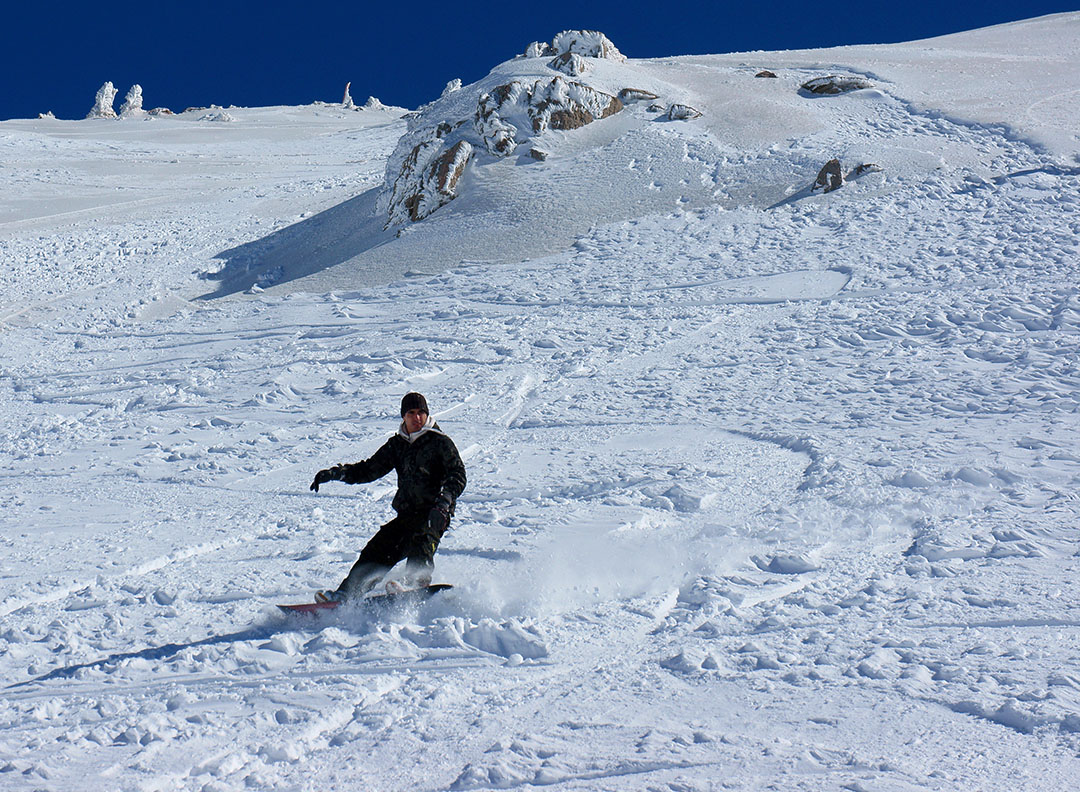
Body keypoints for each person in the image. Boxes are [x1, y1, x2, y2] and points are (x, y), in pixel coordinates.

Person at [309, 392, 467, 602]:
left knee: (422, 539)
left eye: (421, 412)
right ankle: (347, 594)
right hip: (407, 513)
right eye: (411, 413)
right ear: (404, 416)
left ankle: (414, 586)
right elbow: (369, 469)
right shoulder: (397, 445)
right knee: (379, 548)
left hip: (434, 512)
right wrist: (337, 473)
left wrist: (445, 502)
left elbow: (458, 474)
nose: (417, 417)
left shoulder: (439, 442)